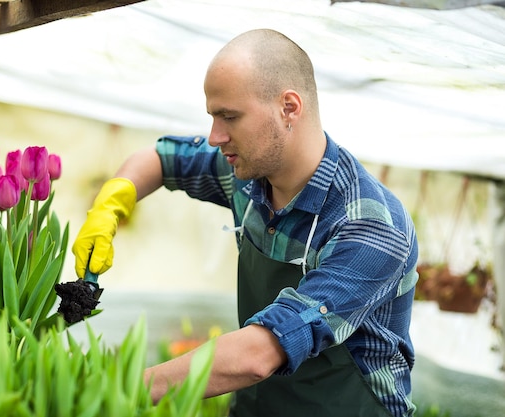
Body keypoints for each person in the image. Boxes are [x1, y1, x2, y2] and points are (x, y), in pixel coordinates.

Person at [72, 29, 418, 417]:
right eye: (213, 116)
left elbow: (261, 352)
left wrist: (114, 388)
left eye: (229, 117)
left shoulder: (370, 225)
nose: (216, 136)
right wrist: (110, 204)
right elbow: (161, 158)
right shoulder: (248, 173)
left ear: (289, 107)